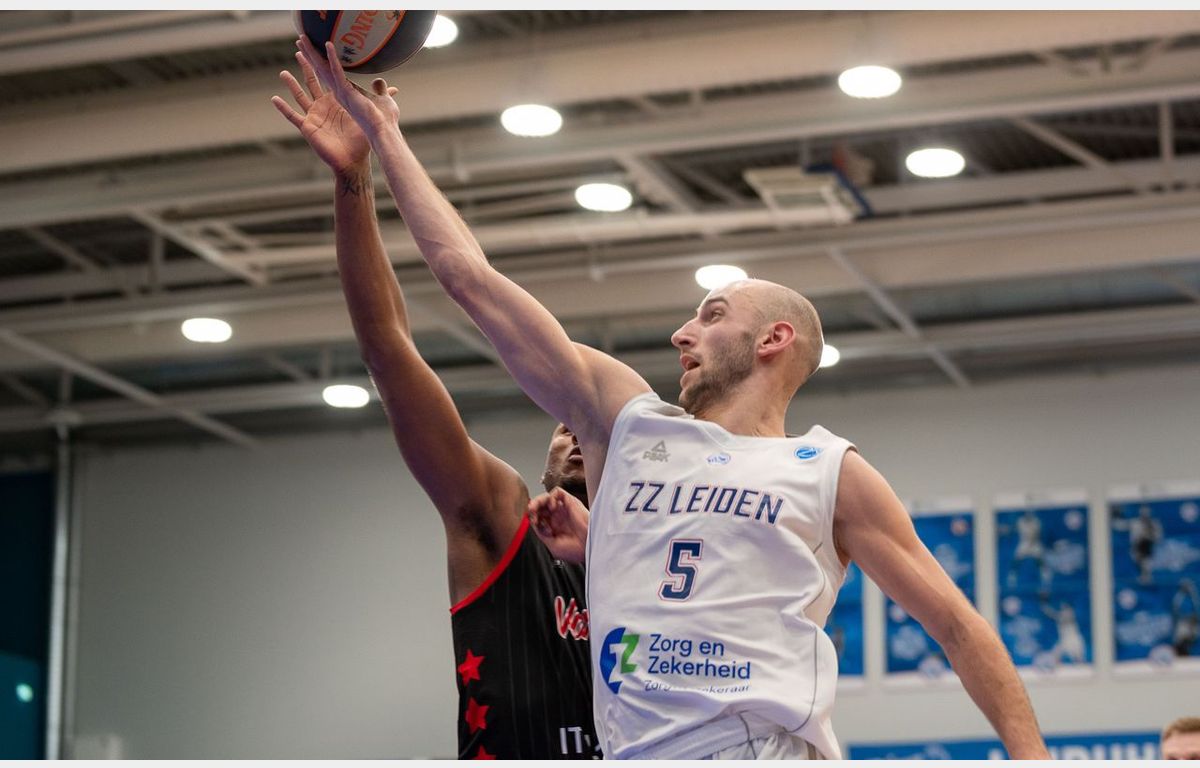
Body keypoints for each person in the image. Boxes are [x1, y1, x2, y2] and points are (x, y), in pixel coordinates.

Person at [298, 38, 1049, 760]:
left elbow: (957, 626)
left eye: (712, 314)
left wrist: (1032, 754)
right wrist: (385, 137)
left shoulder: (828, 471)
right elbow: (470, 277)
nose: (681, 333)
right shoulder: (628, 425)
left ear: (775, 339)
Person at [270, 54, 599, 760]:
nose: (575, 434)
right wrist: (353, 181)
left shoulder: (665, 564)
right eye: (565, 422)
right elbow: (389, 352)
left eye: (596, 428)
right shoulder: (503, 517)